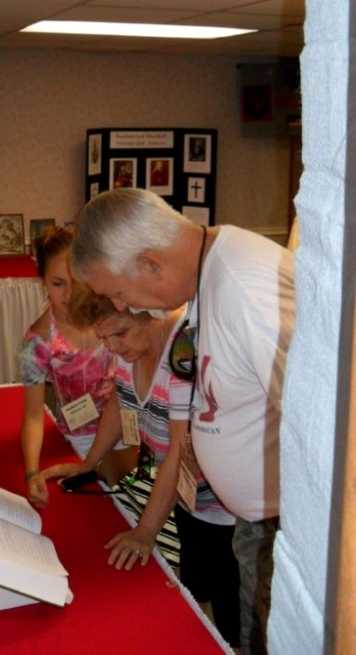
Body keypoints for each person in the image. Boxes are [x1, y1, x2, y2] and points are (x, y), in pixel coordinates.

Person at [70, 188, 295, 655]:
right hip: (254, 522)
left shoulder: (243, 288)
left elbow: (323, 430)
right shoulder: (206, 281)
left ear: (151, 263)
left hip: (284, 527)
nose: (122, 302)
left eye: (116, 291)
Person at [53, 284, 240, 650]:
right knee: (196, 589)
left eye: (119, 333)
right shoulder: (128, 348)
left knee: (231, 607)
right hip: (187, 496)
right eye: (103, 338)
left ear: (146, 311)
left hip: (224, 505)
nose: (112, 347)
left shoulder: (183, 353)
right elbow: (117, 404)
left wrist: (145, 531)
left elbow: (180, 452)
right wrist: (89, 463)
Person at [20, 226, 115, 509]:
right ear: (43, 283)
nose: (69, 293)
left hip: (128, 431)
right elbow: (33, 415)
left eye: (76, 281)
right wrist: (31, 471)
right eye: (58, 283)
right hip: (79, 438)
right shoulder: (37, 341)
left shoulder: (113, 315)